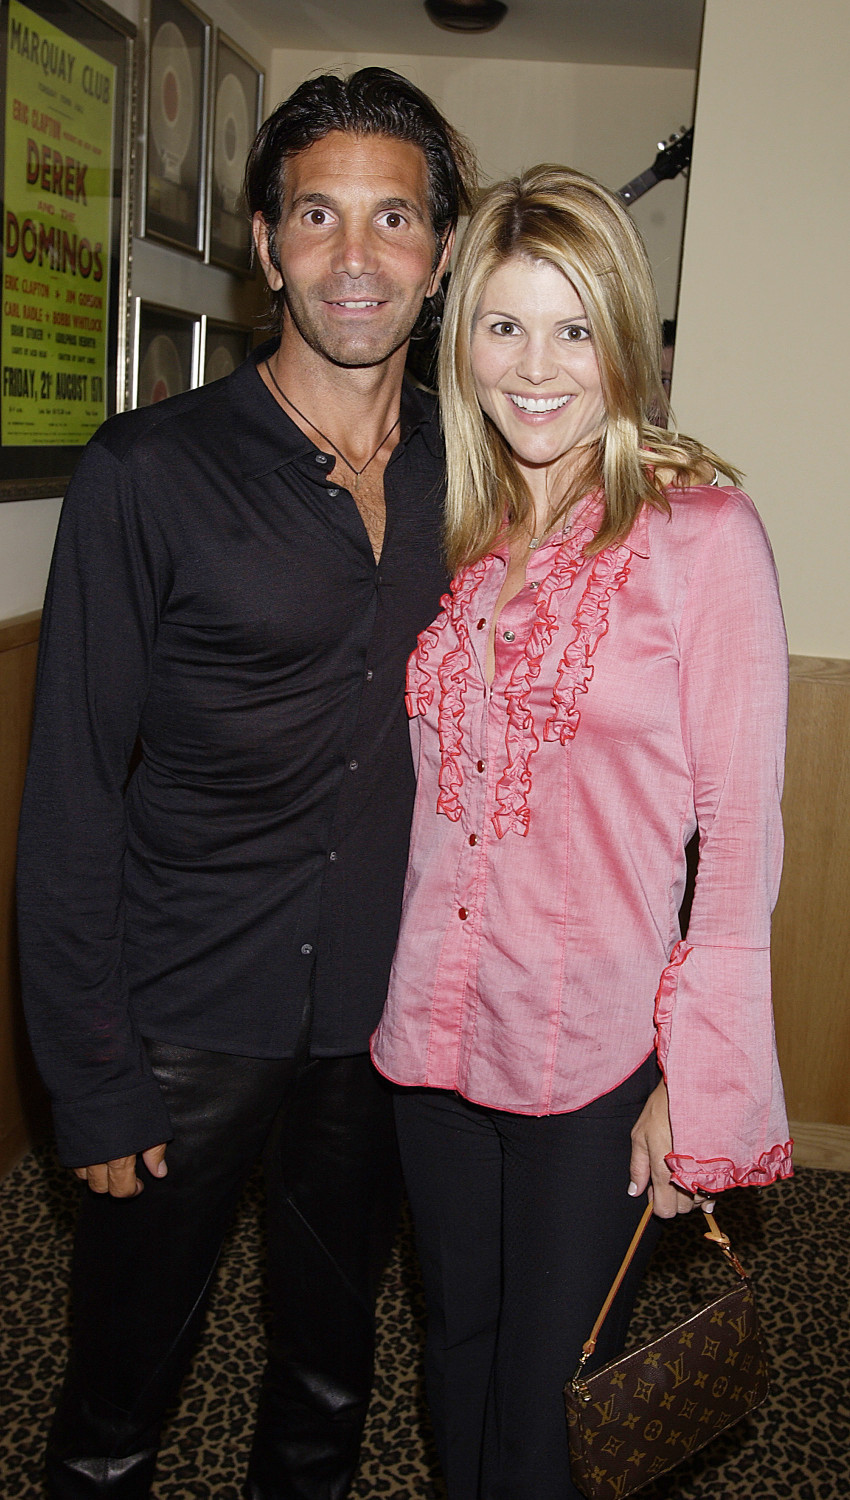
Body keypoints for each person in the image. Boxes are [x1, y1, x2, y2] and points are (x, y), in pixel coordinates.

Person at [16, 68, 474, 1500]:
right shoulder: (147, 473)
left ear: (439, 255)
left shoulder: (481, 476)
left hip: (378, 1026)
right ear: (267, 247)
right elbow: (73, 792)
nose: (357, 256)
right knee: (116, 1403)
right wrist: (90, 1081)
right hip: (178, 1021)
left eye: (394, 217)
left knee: (329, 1382)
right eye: (318, 216)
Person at [370, 165, 792, 1500]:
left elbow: (739, 841)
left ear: (622, 339)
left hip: (596, 1061)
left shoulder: (703, 538)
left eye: (572, 328)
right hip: (434, 1038)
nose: (537, 367)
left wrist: (694, 1085)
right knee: (457, 1355)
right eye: (504, 325)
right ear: (463, 343)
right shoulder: (459, 525)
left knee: (553, 1405)